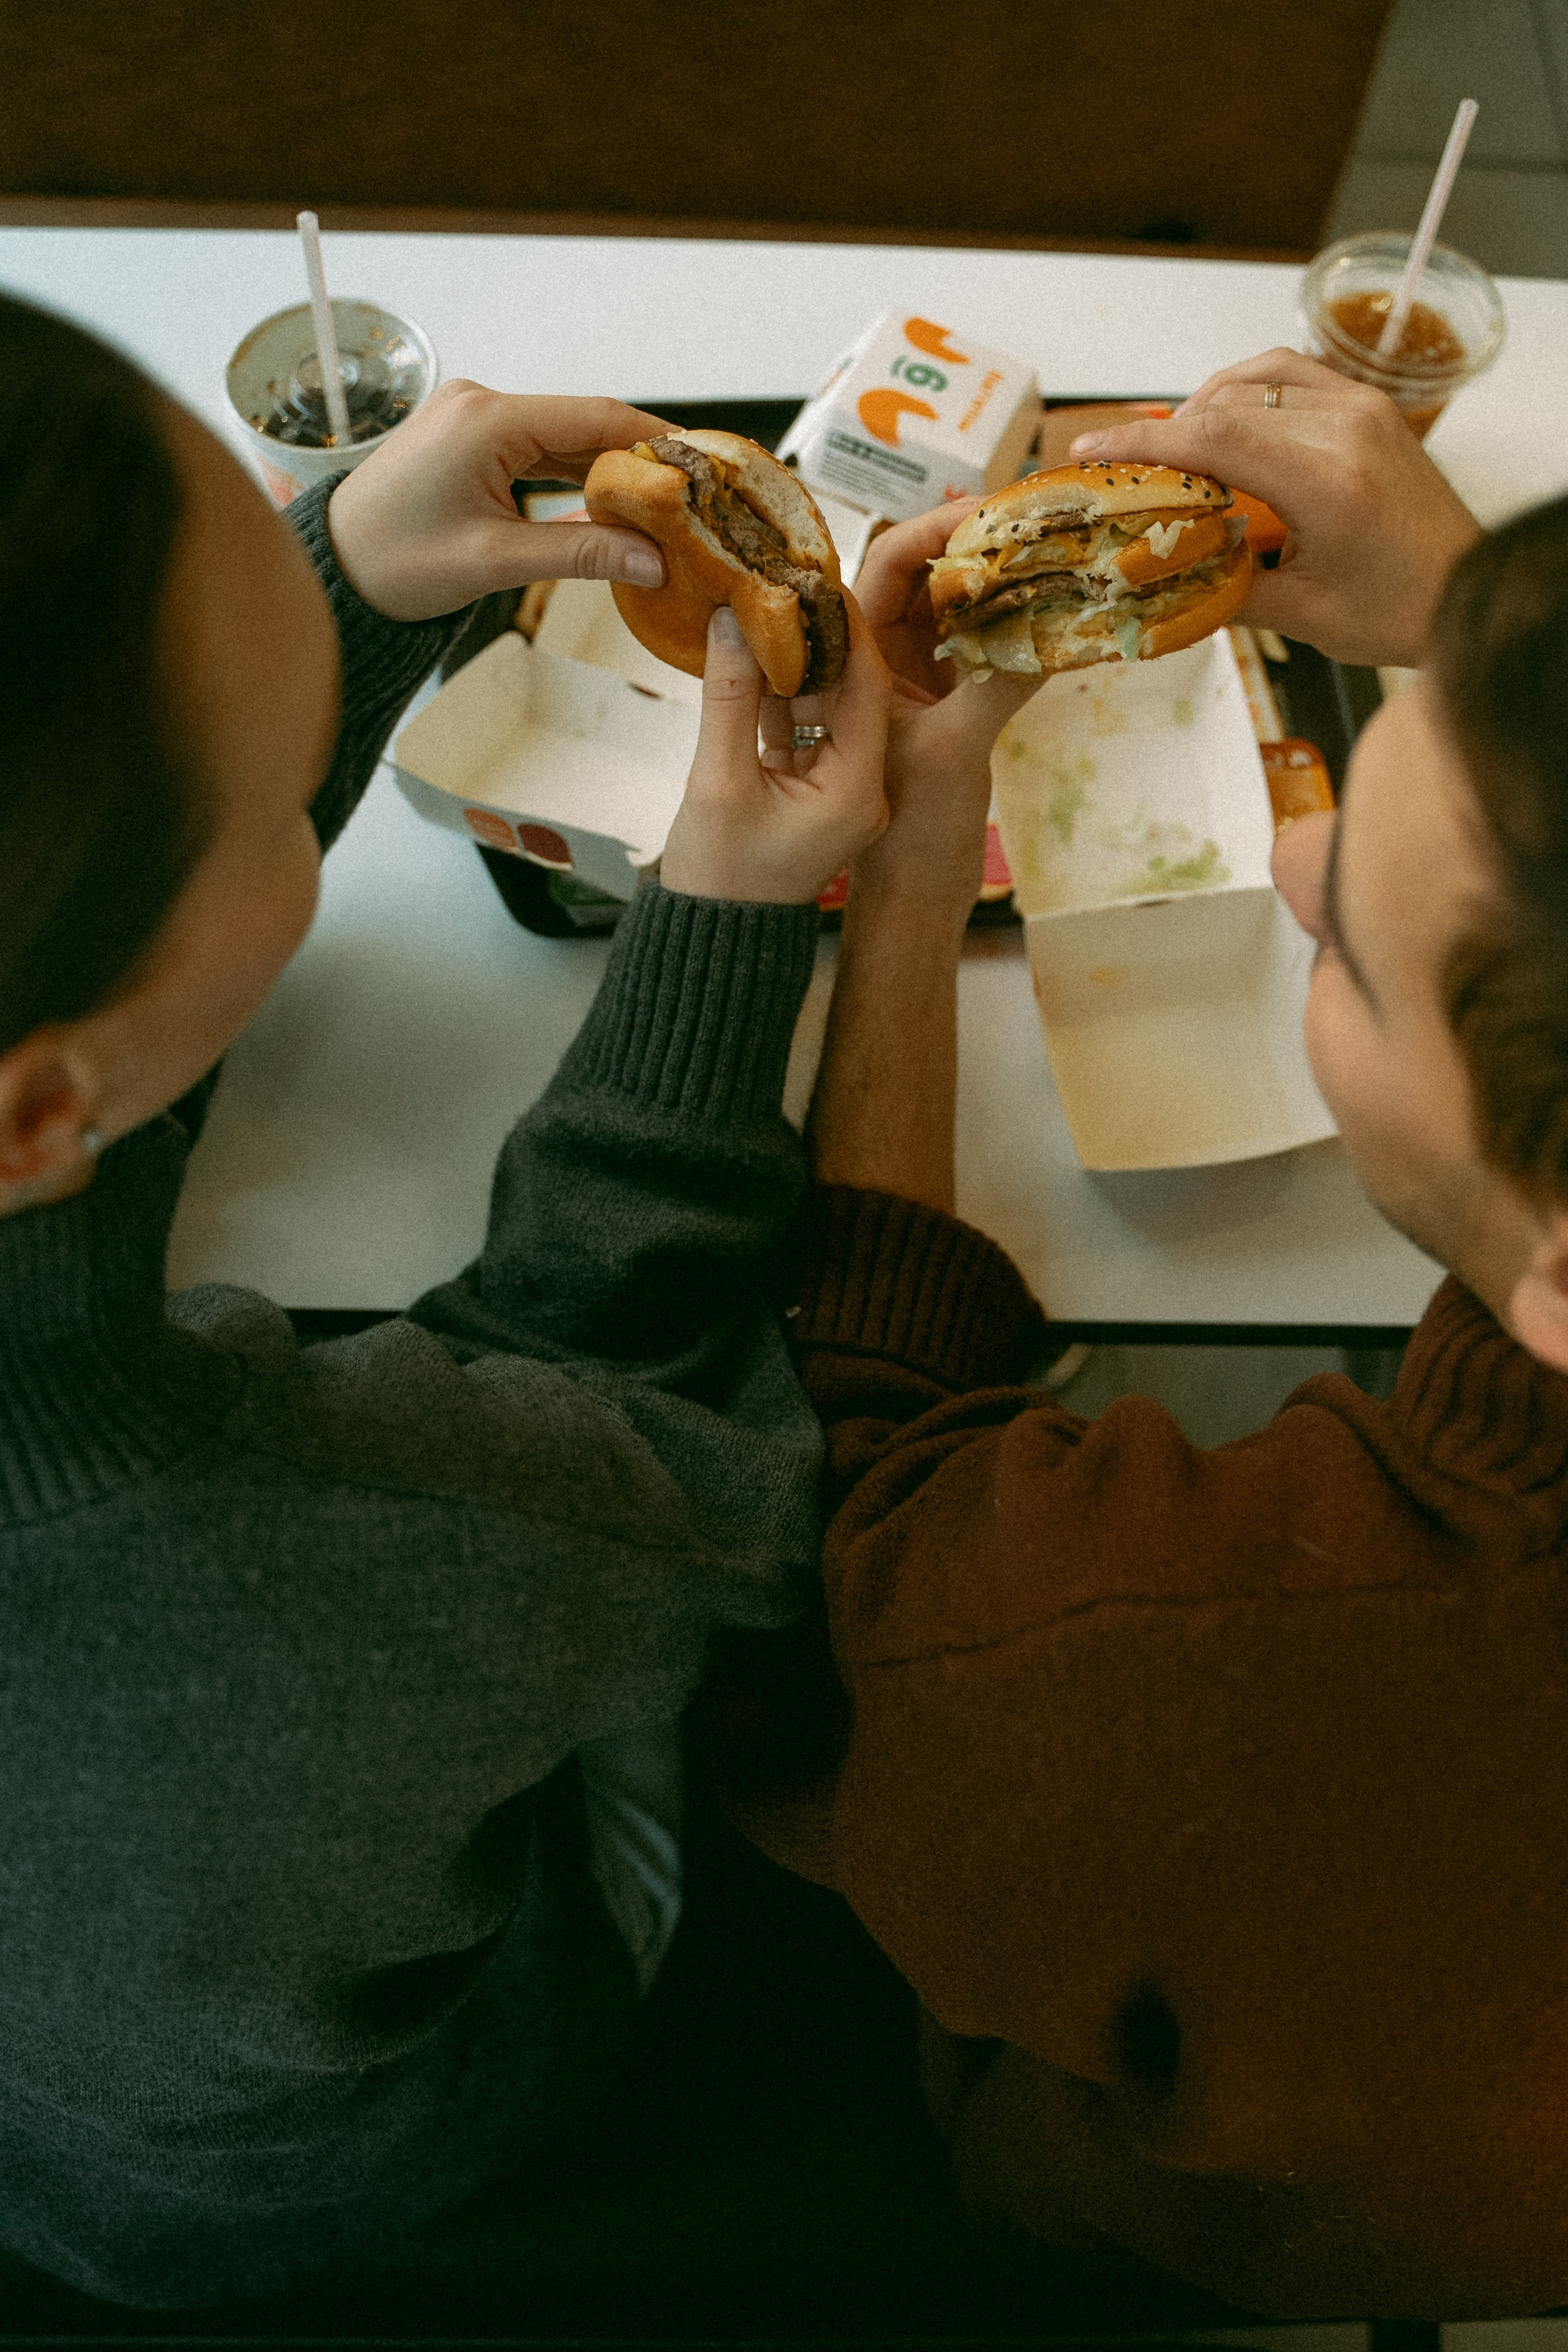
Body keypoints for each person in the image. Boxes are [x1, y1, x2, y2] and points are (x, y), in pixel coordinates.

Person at [0, 290, 893, 2309]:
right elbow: (662, 1459)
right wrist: (735, 915)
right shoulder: (304, 1575)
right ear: (36, 1103)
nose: (315, 740)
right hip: (316, 2165)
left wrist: (344, 580)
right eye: (282, 769)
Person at [712, 350, 1568, 2319]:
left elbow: (853, 1579)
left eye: (1352, 943)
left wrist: (917, 862)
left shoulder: (1160, 1674)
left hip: (1160, 2210)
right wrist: (1486, 631)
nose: (1290, 862)